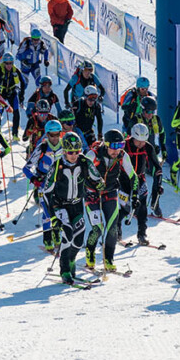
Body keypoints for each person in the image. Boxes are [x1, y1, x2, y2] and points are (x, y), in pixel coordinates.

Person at [42, 132, 103, 285]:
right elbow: (46, 193)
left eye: (77, 151)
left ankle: (71, 260)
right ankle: (64, 270)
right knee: (68, 234)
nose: (74, 155)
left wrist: (100, 183)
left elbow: (96, 177)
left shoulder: (84, 161)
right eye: (70, 152)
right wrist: (52, 217)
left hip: (77, 205)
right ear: (64, 151)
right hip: (60, 205)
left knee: (78, 239)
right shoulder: (56, 165)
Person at [85, 129, 137, 272]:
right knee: (98, 228)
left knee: (112, 227)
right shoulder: (93, 155)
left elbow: (133, 176)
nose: (117, 151)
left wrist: (135, 195)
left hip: (110, 192)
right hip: (92, 194)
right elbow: (80, 173)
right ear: (106, 145)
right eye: (113, 147)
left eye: (120, 146)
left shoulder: (122, 156)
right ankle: (90, 252)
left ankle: (108, 258)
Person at [24, 119, 66, 249]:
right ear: (47, 135)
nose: (54, 138)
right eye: (51, 135)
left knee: (59, 211)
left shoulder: (64, 147)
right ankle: (49, 238)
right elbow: (26, 168)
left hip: (59, 185)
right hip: (43, 185)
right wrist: (34, 179)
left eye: (57, 134)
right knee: (48, 212)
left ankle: (55, 236)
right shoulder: (42, 148)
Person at [126, 123, 163, 244]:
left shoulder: (147, 147)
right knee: (123, 207)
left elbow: (157, 167)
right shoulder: (124, 145)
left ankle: (142, 234)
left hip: (140, 178)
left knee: (142, 205)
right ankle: (117, 232)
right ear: (132, 137)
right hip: (124, 179)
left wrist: (158, 184)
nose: (141, 144)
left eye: (144, 141)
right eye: (138, 141)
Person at [0, 53, 26, 141]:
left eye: (10, 63)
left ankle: (15, 134)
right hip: (2, 92)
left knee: (16, 111)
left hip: (12, 92)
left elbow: (23, 82)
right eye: (6, 63)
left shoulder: (15, 70)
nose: (9, 65)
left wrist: (22, 94)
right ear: (3, 63)